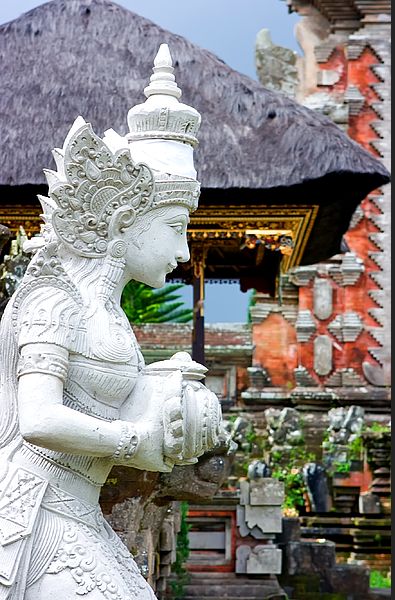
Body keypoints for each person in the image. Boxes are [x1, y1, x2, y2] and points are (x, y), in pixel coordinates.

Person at [0, 44, 224, 599]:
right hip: (34, 515)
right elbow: (39, 418)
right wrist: (134, 438)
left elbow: (95, 392)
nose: (182, 250)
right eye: (175, 226)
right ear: (126, 219)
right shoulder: (54, 302)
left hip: (78, 513)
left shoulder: (110, 317)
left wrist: (160, 381)